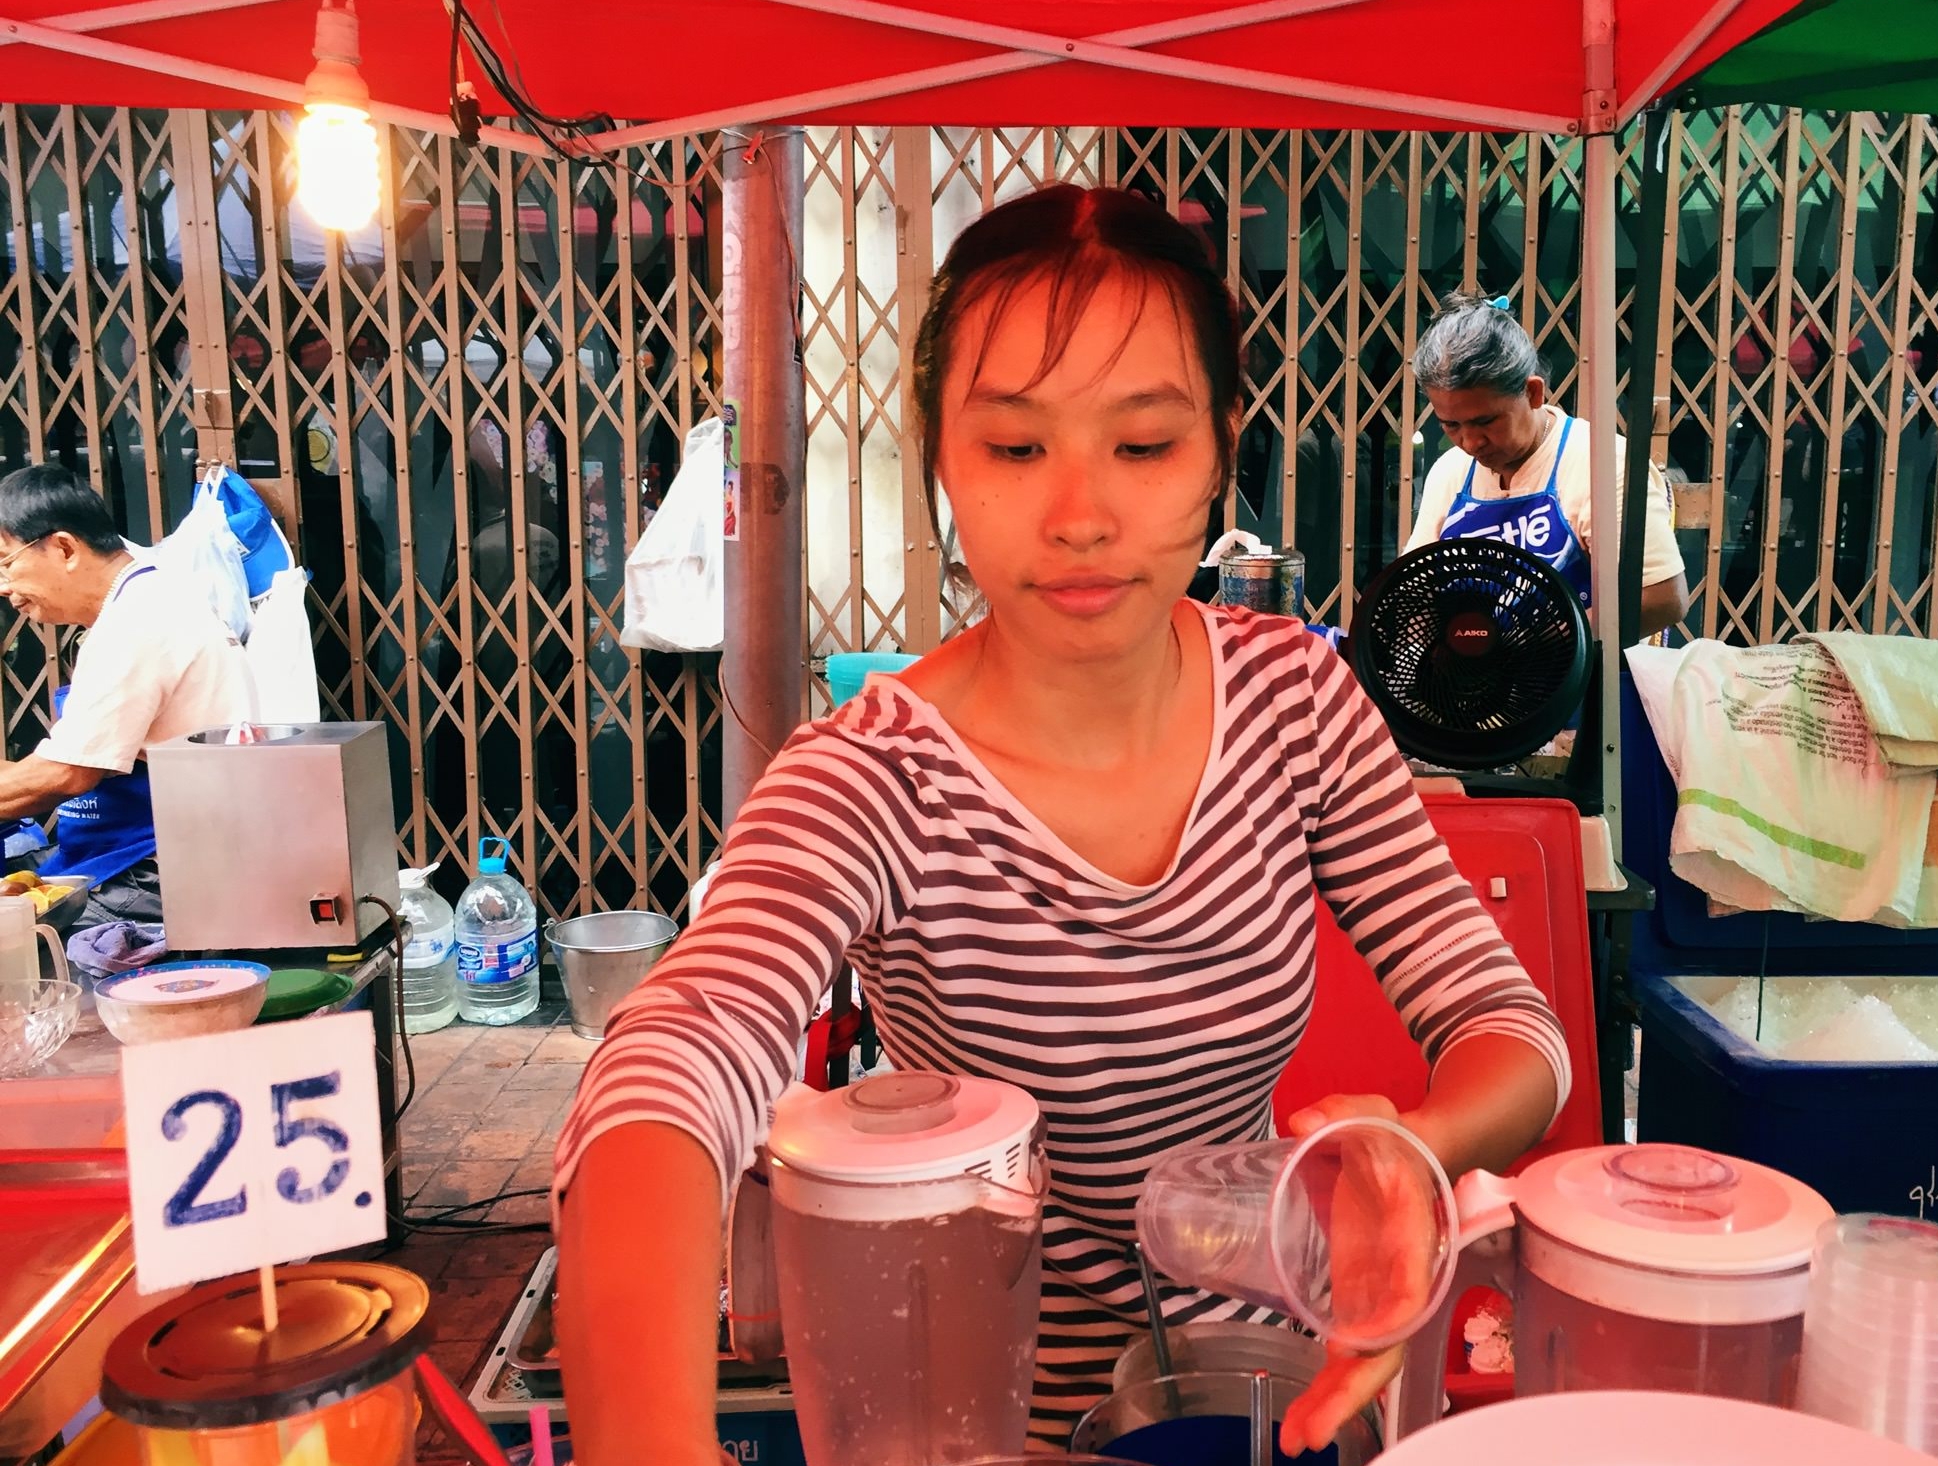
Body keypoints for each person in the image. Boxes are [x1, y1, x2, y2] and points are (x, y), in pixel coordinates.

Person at [551, 186, 1568, 1465]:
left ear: (1216, 451)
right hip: (988, 1428)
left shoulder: (1300, 701)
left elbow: (1511, 1031)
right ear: (941, 460)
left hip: (1263, 1394)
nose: (1081, 513)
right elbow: (674, 1058)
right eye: (1016, 449)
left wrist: (1408, 1155)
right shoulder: (870, 775)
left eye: (1142, 446)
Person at [0, 464, 253, 925]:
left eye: (7, 563)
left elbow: (65, 774)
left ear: (63, 548)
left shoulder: (139, 620)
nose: (5, 588)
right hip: (148, 857)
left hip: (153, 877)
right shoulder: (146, 598)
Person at [1404, 292, 1692, 638]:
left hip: (1588, 685)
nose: (1470, 442)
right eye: (1451, 425)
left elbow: (1663, 598)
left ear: (1533, 393)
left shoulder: (1601, 464)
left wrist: (1534, 646)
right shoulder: (1451, 472)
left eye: (1486, 421)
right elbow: (1414, 589)